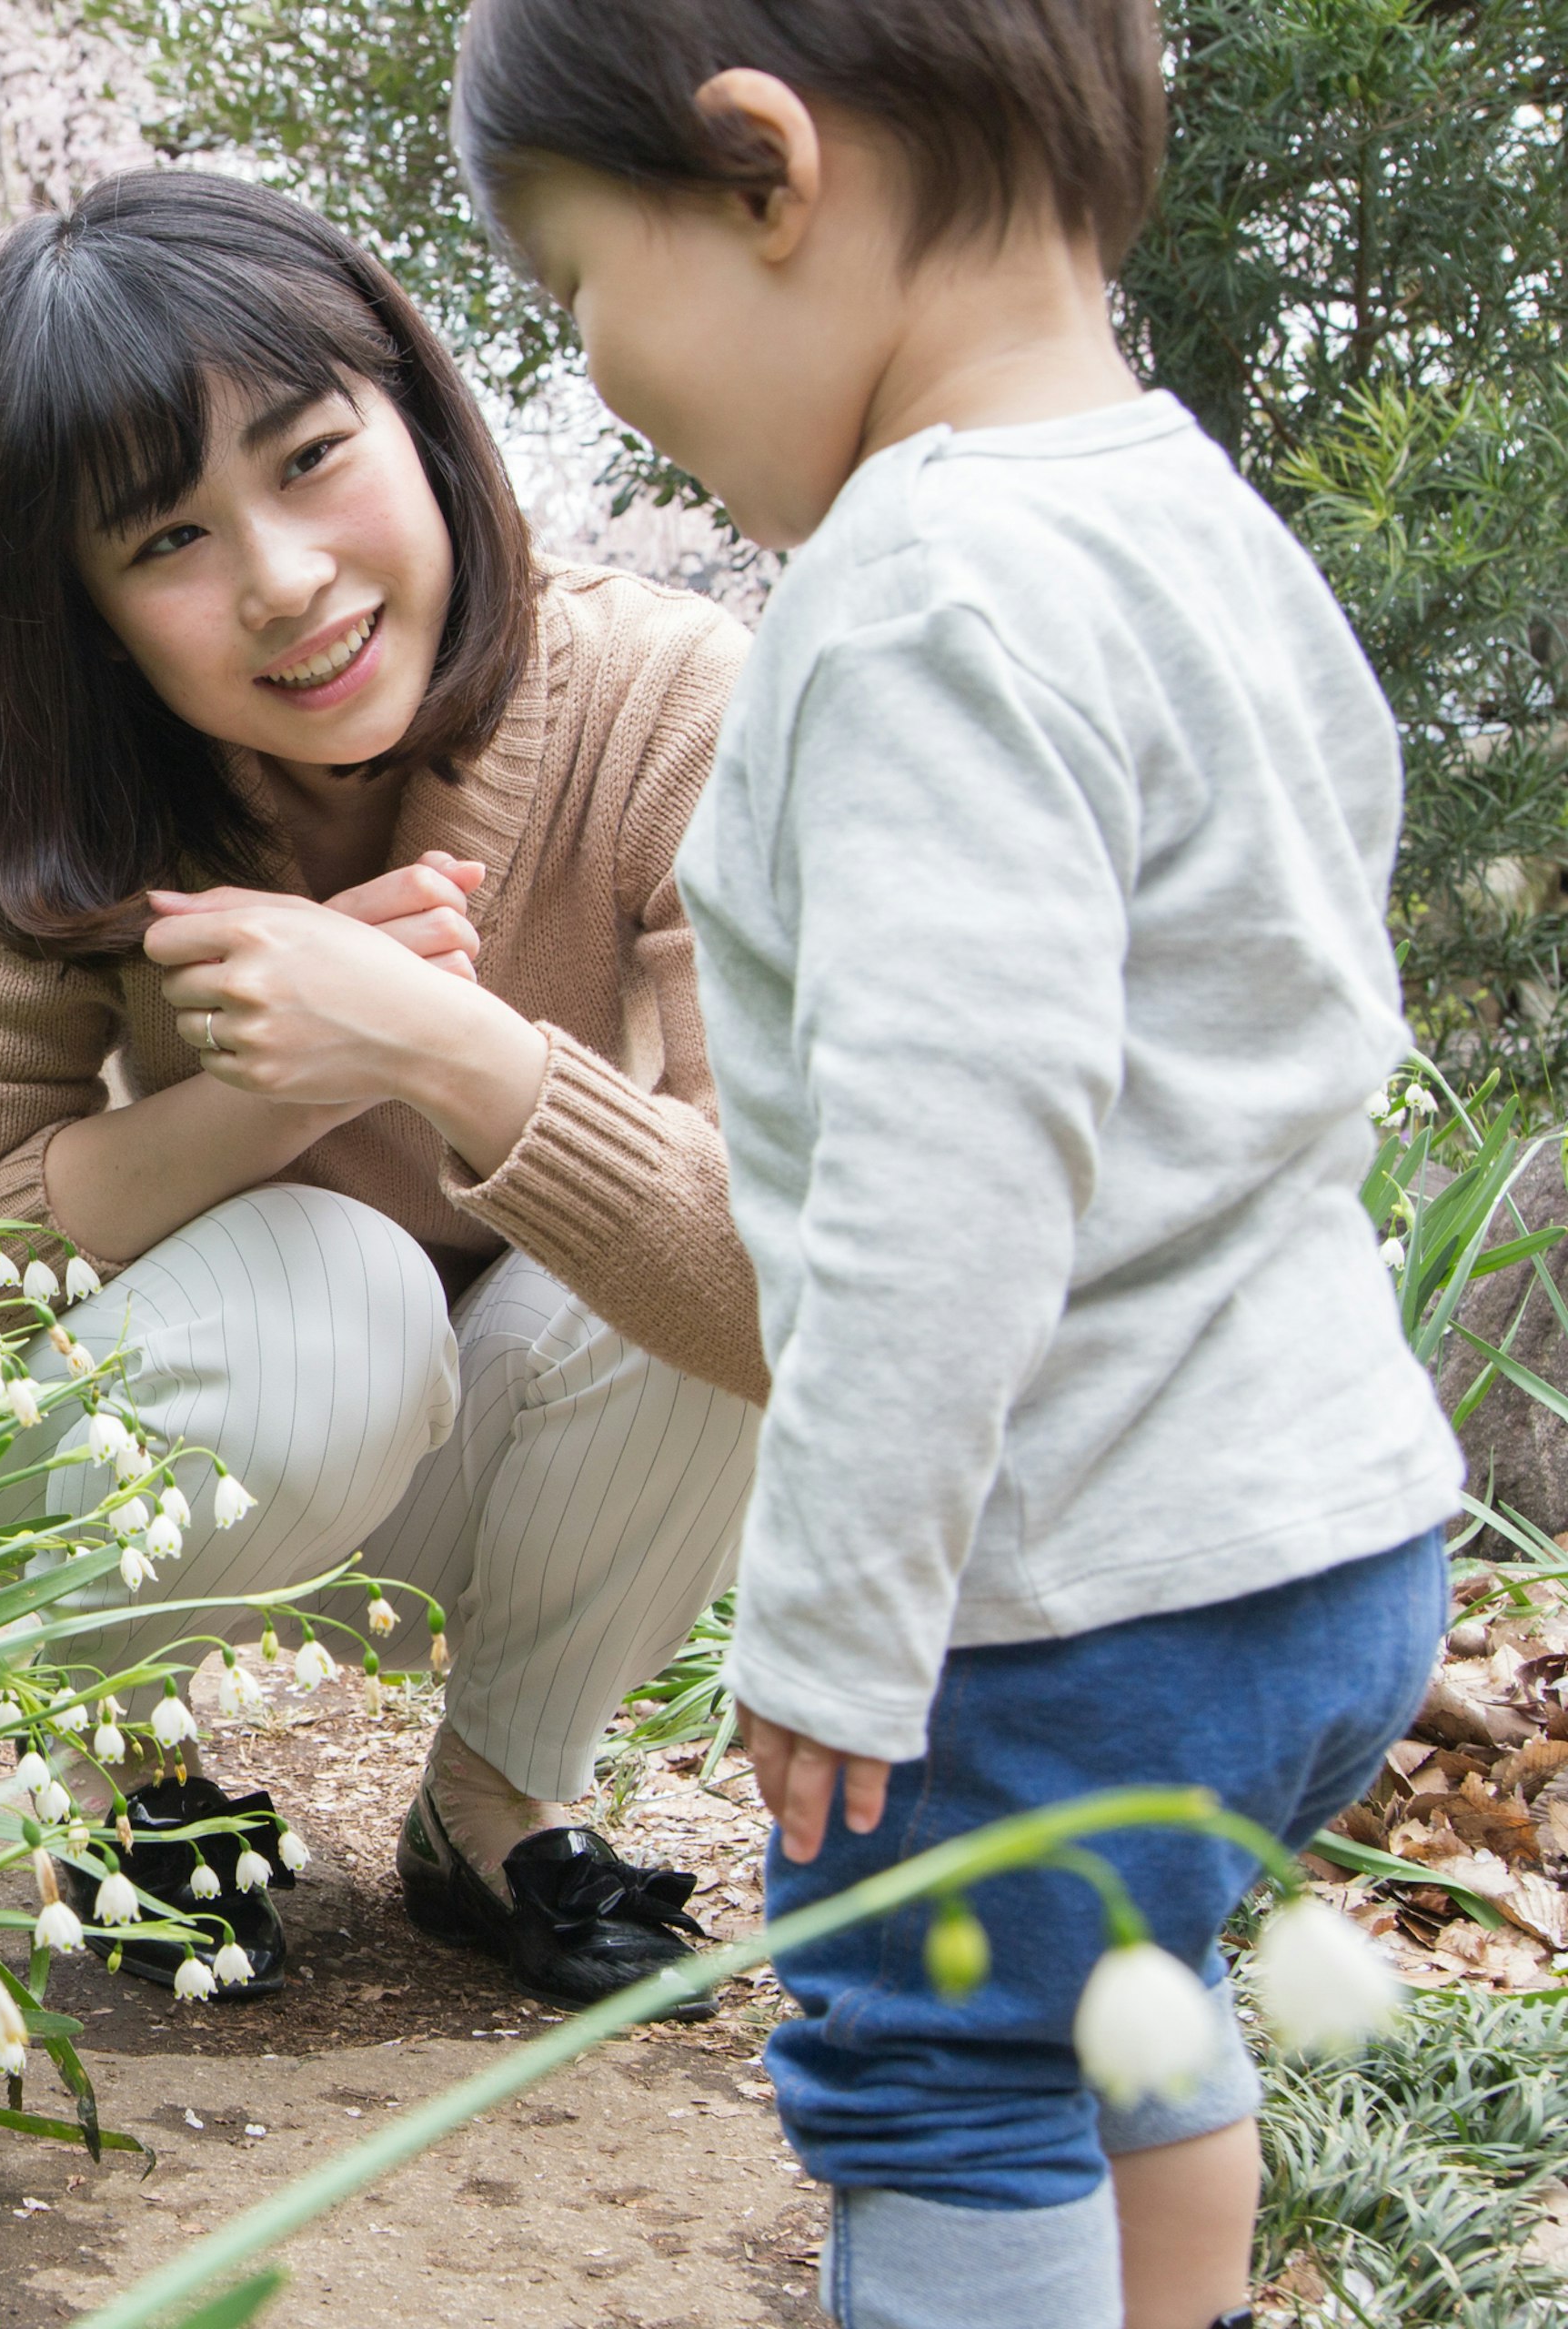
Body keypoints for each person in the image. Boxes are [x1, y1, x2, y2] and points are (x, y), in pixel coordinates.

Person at [447, 4, 1462, 2324]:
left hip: (1071, 1576)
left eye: (582, 283)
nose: (595, 369)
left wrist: (837, 1610)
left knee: (945, 2063)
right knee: (1119, 1978)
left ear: (764, 172)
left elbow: (947, 1167)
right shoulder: (1197, 521)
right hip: (1326, 1538)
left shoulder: (921, 596)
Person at [0, 168, 767, 2018]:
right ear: (85, 613)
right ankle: (128, 1761)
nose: (283, 579)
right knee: (332, 1290)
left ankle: (503, 1794)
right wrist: (267, 1094)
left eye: (309, 455)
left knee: (671, 1256)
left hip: (521, 1464)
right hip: (232, 1449)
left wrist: (438, 1043)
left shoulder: (672, 702)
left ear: (425, 423)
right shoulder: (72, 805)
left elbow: (791, 1286)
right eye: (166, 540)